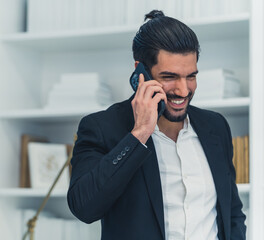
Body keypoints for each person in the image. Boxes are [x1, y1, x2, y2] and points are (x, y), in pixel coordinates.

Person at [67, 10, 247, 240]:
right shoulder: (102, 128)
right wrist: (139, 134)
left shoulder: (216, 126)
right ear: (140, 71)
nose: (183, 91)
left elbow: (231, 211)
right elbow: (84, 208)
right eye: (170, 77)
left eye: (191, 76)